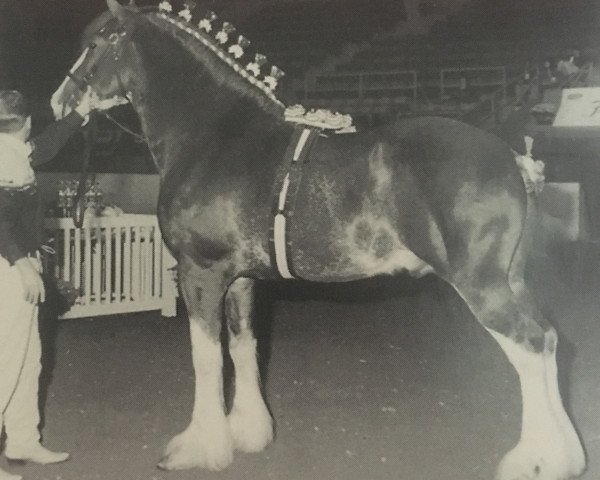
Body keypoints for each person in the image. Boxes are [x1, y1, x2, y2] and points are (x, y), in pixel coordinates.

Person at [0, 88, 122, 480]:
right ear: (27, 121)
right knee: (6, 360)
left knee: (27, 357)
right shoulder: (8, 160)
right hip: (8, 268)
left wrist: (81, 112)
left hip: (15, 265)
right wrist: (21, 263)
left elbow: (44, 147)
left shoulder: (13, 150)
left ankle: (21, 439)